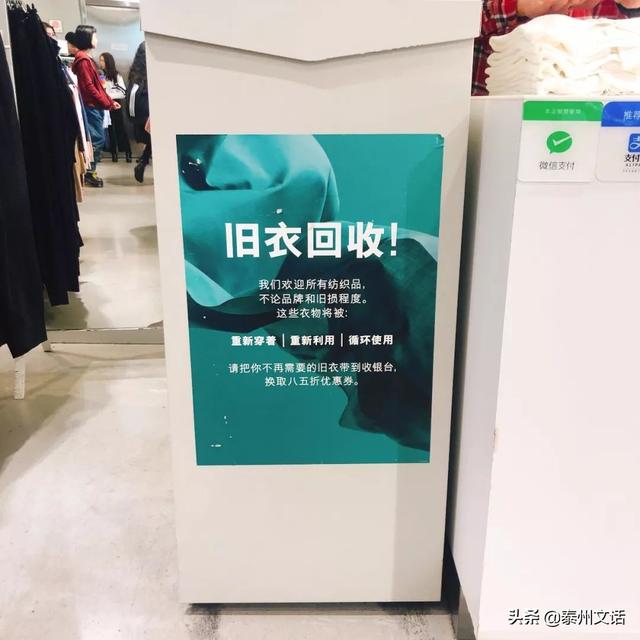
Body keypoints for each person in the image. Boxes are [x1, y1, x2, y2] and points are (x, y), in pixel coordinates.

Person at [472, 0, 640, 95]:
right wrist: (517, 6)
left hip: (597, 121)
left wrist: (631, 7)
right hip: (483, 120)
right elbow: (457, 22)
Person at [65, 27, 121, 187]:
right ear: (86, 38)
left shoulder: (85, 59)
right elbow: (89, 88)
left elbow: (95, 87)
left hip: (94, 106)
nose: (96, 39)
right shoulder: (83, 60)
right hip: (91, 107)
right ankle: (89, 173)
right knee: (96, 140)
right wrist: (107, 103)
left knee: (97, 139)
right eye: (94, 36)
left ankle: (90, 172)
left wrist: (108, 101)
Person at [99, 52, 132, 163]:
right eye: (100, 60)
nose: (101, 63)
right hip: (105, 105)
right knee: (109, 130)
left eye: (102, 60)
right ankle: (113, 153)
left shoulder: (116, 76)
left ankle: (127, 152)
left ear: (108, 61)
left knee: (120, 129)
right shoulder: (100, 75)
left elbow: (123, 92)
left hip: (116, 105)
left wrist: (109, 97)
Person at [127, 42, 151, 184]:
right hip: (149, 114)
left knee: (154, 142)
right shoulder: (150, 72)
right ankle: (143, 161)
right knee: (158, 142)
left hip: (139, 117)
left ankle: (143, 161)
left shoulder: (135, 72)